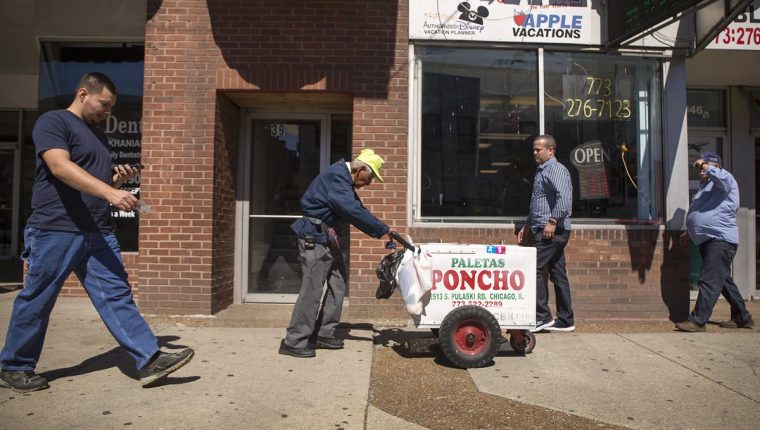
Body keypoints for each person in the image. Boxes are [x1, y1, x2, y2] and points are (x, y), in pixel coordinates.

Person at [0, 72, 194, 393]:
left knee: (117, 294)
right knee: (39, 298)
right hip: (56, 228)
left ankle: (149, 359)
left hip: (97, 230)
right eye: (104, 104)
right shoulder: (54, 122)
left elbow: (95, 182)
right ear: (82, 94)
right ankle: (14, 366)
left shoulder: (97, 134)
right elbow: (59, 166)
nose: (107, 112)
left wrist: (116, 182)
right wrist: (110, 192)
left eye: (111, 107)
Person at [279, 149, 394, 358]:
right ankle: (294, 341)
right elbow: (352, 210)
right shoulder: (337, 176)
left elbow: (359, 208)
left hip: (326, 235)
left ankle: (323, 333)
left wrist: (384, 229)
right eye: (370, 177)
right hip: (313, 234)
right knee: (312, 288)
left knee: (338, 281)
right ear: (359, 169)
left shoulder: (344, 182)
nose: (369, 183)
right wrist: (381, 230)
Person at [675, 152, 754, 332]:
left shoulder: (726, 180)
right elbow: (703, 213)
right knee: (723, 280)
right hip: (709, 240)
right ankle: (742, 317)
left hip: (720, 240)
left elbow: (722, 180)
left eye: (707, 165)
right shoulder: (705, 188)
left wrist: (704, 165)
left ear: (716, 166)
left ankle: (697, 321)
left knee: (709, 279)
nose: (701, 170)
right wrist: (691, 231)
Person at [518, 134, 575, 332]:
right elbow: (538, 202)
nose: (534, 152)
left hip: (552, 230)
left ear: (550, 150)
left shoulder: (555, 169)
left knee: (534, 267)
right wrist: (527, 225)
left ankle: (542, 317)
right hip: (547, 228)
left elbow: (564, 198)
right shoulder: (542, 170)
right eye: (534, 149)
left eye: (538, 149)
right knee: (558, 273)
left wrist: (552, 221)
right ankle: (566, 320)